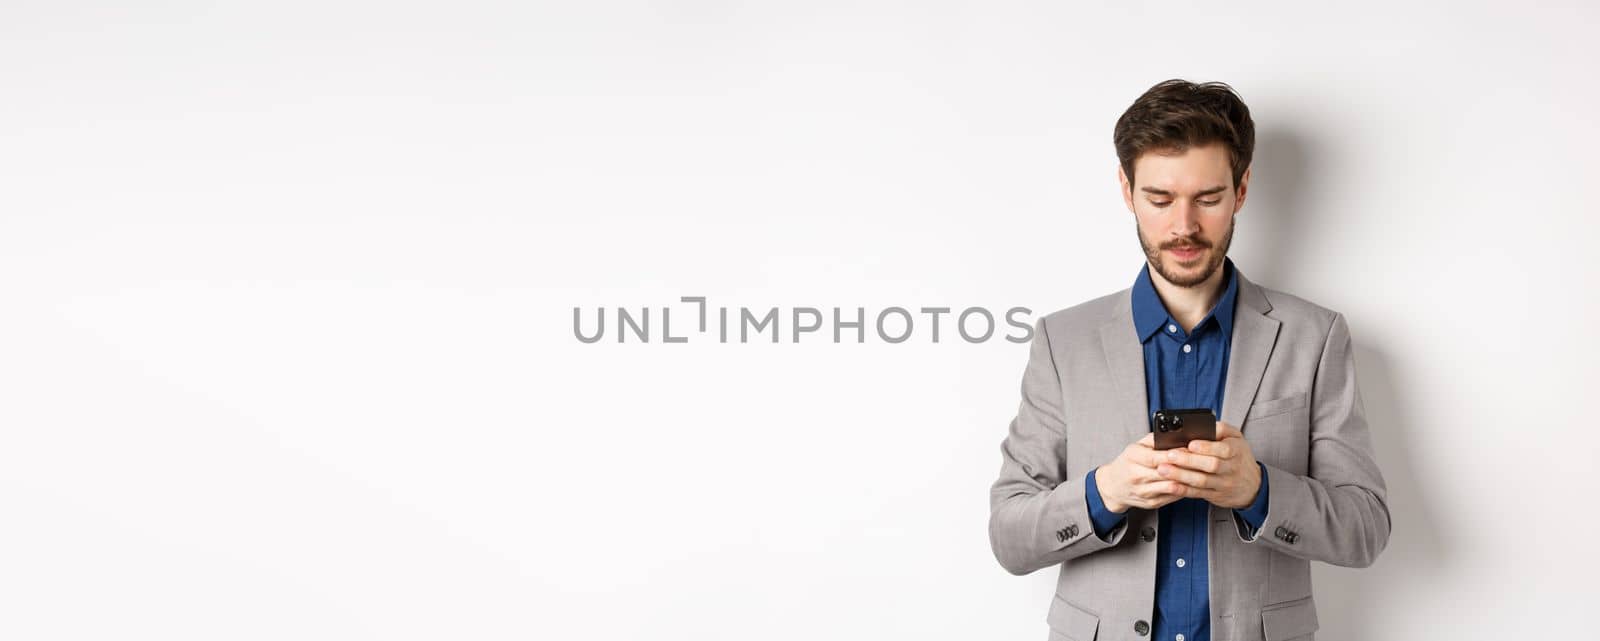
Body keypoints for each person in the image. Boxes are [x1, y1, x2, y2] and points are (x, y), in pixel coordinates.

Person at [987, 79, 1390, 641]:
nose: (1183, 227)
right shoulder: (1063, 341)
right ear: (1126, 191)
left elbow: (1365, 529)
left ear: (1242, 189)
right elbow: (1008, 536)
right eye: (1159, 200)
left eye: (1207, 198)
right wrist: (1106, 492)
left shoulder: (1315, 337)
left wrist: (1257, 490)